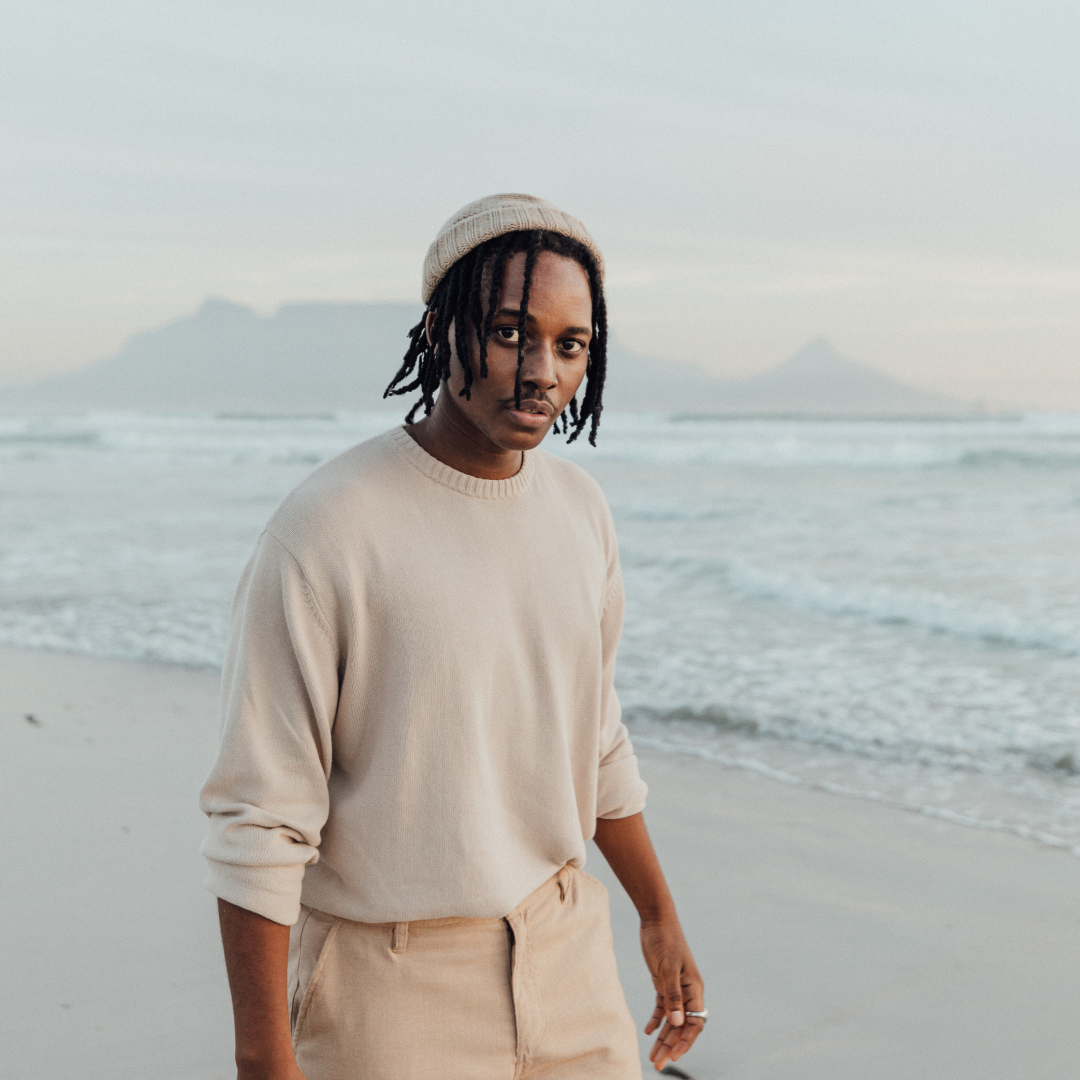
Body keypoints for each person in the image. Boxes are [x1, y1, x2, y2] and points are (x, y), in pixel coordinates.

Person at [199, 193, 705, 1080]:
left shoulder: (581, 514)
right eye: (511, 332)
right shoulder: (328, 529)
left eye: (570, 344)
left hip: (569, 957)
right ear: (443, 329)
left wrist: (655, 911)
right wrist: (262, 1059)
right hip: (390, 991)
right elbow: (261, 819)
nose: (541, 370)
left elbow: (593, 738)